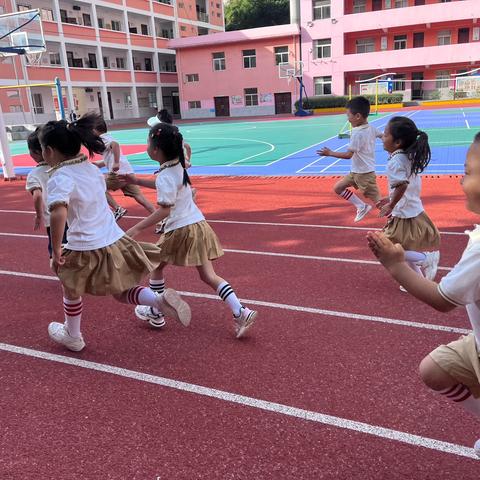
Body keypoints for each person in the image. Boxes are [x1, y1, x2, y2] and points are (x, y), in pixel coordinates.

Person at [366, 132, 480, 457]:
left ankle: (422, 259)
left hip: (406, 216)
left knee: (402, 249)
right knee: (436, 369)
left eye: (470, 172)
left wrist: (395, 266)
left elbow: (443, 300)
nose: (461, 180)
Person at [39, 113, 191, 352]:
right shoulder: (88, 168)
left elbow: (59, 212)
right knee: (121, 291)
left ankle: (73, 334)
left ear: (48, 151)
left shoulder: (60, 176)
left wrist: (56, 249)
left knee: (69, 285)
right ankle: (158, 300)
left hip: (84, 245)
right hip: (112, 239)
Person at [124, 123, 257, 338]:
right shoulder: (177, 165)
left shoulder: (167, 173)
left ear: (156, 150)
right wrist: (136, 180)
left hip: (180, 230)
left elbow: (164, 210)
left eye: (148, 143)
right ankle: (241, 311)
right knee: (208, 275)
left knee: (156, 267)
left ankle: (156, 312)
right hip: (198, 225)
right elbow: (165, 183)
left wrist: (136, 228)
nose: (147, 146)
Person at [377, 116, 440, 284]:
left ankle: (427, 258)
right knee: (404, 247)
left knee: (386, 248)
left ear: (397, 142)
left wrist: (391, 204)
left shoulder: (395, 161)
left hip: (404, 212)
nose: (382, 138)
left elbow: (402, 185)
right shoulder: (406, 157)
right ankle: (418, 279)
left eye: (385, 134)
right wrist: (389, 197)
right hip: (410, 208)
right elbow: (404, 185)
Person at [317, 96, 382, 222]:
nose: (347, 119)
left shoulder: (357, 133)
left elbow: (348, 155)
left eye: (348, 115)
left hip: (364, 174)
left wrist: (330, 153)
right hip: (355, 172)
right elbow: (383, 136)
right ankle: (361, 206)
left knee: (379, 202)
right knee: (338, 188)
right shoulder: (371, 128)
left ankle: (395, 220)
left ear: (357, 116)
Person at [92, 118, 155, 221]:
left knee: (98, 187)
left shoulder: (103, 139)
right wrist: (99, 164)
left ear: (95, 130)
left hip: (118, 174)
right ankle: (159, 217)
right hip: (127, 172)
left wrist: (116, 163)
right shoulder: (108, 136)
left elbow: (115, 144)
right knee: (139, 196)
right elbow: (111, 155)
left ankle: (117, 209)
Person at [25, 128, 67, 258]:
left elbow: (37, 195)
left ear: (36, 152)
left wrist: (38, 215)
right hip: (70, 215)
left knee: (57, 252)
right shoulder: (61, 167)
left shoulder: (34, 175)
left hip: (52, 219)